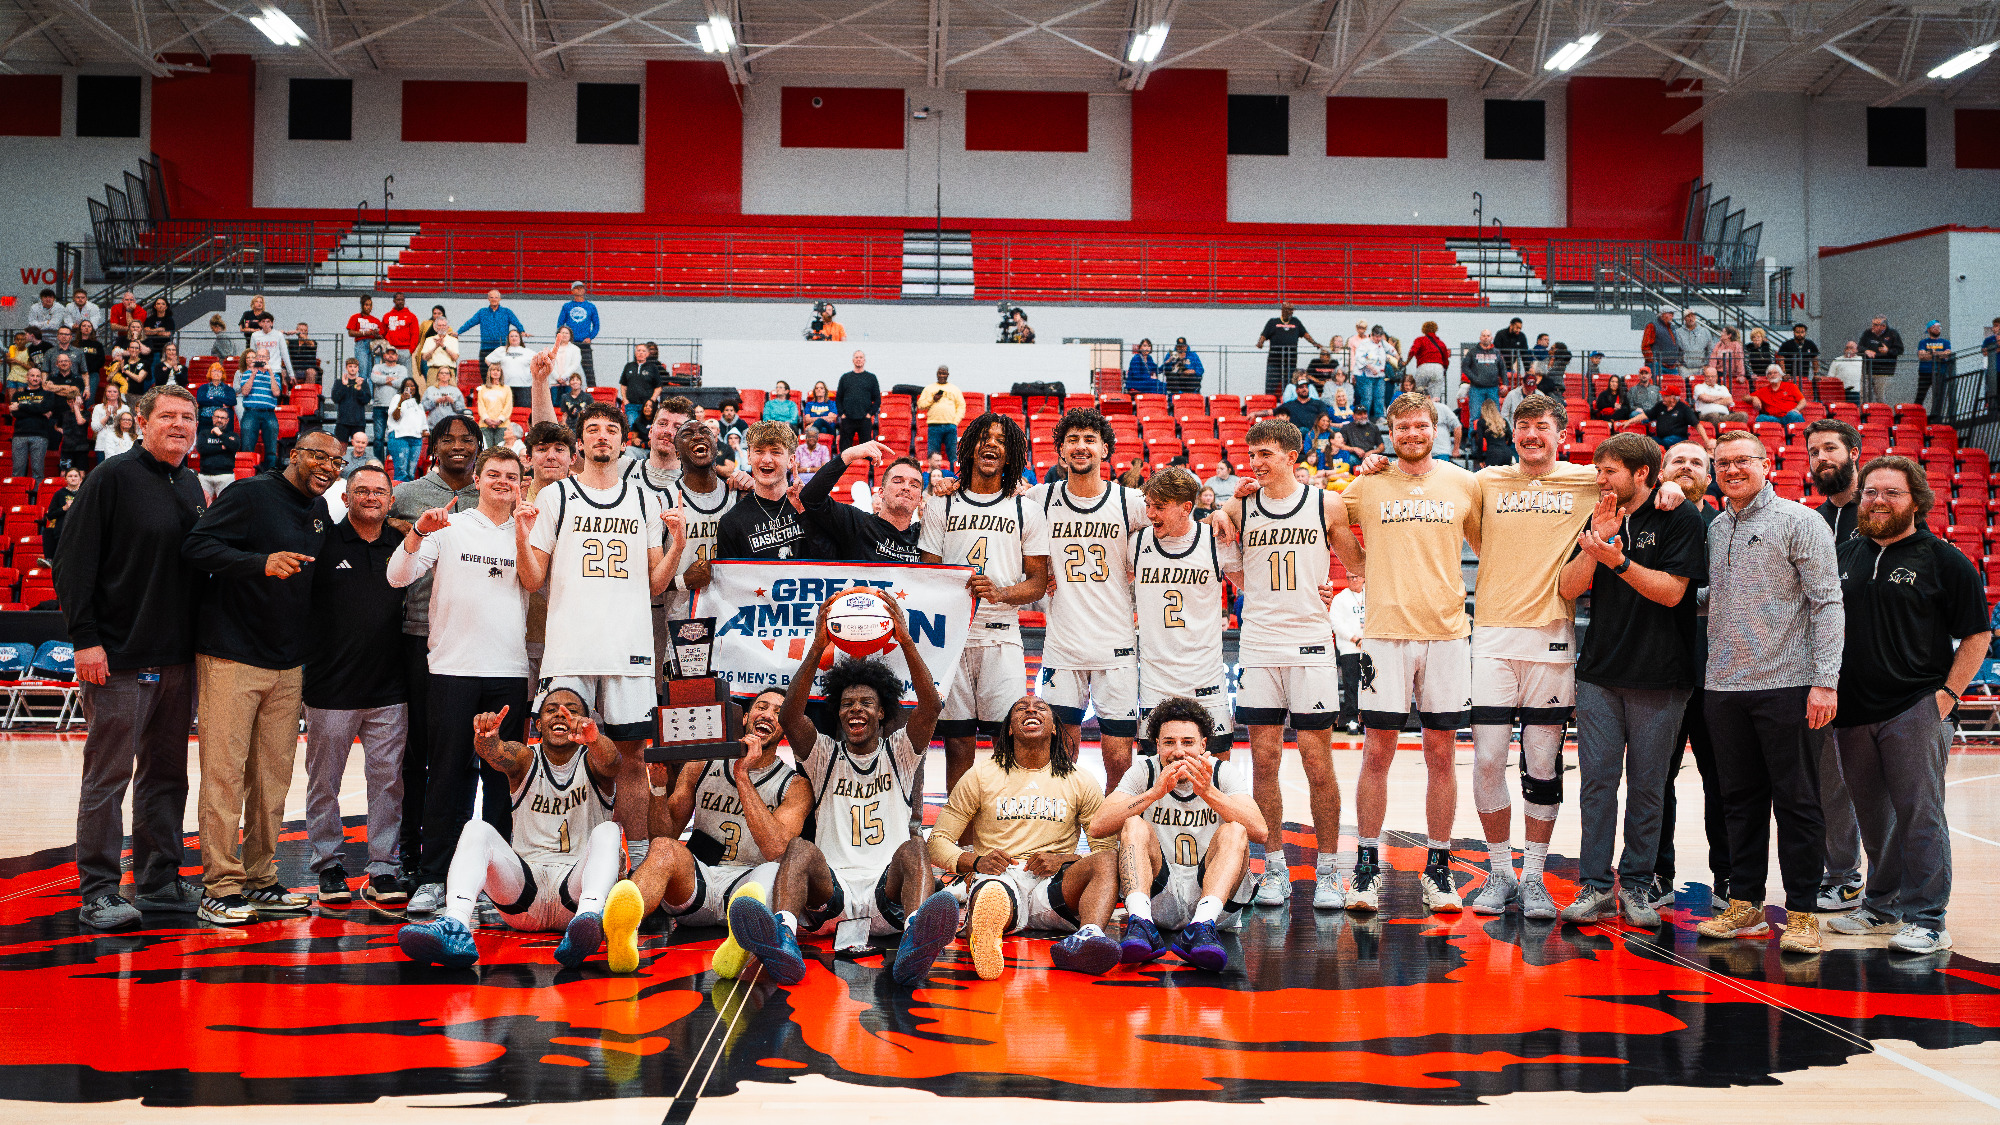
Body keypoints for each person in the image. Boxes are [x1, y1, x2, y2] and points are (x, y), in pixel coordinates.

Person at [724, 592, 959, 987]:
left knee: (916, 846)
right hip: (831, 893)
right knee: (799, 848)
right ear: (838, 712)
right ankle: (784, 939)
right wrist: (818, 645)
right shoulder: (823, 755)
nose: (856, 709)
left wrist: (905, 640)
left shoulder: (899, 752)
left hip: (889, 894)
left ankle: (915, 942)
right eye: (848, 702)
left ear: (883, 712)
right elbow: (790, 715)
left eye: (867, 702)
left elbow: (931, 707)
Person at [55, 386, 205, 930]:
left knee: (166, 776)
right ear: (141, 422)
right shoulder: (111, 477)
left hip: (177, 661)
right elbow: (72, 563)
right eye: (167, 415)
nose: (180, 424)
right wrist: (85, 639)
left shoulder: (189, 484)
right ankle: (97, 889)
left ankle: (159, 880)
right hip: (116, 658)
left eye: (188, 417)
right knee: (108, 777)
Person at [1826, 455, 1986, 955]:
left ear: (1915, 500)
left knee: (1921, 815)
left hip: (1915, 706)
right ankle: (1881, 905)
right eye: (1870, 492)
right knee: (1874, 819)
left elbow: (1977, 635)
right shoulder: (1844, 555)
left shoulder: (1944, 560)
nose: (1877, 501)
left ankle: (1929, 918)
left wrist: (1947, 696)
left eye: (1891, 493)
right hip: (1852, 712)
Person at [181, 429, 342, 925]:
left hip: (287, 664)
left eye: (336, 461)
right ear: (294, 455)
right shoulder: (250, 494)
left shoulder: (318, 512)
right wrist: (258, 563)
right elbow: (196, 547)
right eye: (317, 455)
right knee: (225, 776)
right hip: (231, 656)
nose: (327, 466)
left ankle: (260, 879)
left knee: (272, 780)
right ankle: (220, 886)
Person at [1694, 430, 1842, 956]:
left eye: (1742, 461)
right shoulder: (1715, 526)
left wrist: (1826, 680)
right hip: (1723, 686)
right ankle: (1746, 904)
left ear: (1767, 464)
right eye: (1723, 463)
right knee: (1739, 801)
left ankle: (1802, 912)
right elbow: (1721, 596)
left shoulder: (1801, 521)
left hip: (1789, 684)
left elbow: (1827, 603)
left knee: (1798, 803)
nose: (1732, 470)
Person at [1207, 418, 1363, 910]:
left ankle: (1330, 871)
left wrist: (1336, 589)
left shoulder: (1326, 504)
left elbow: (1359, 565)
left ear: (1292, 456)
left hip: (1312, 645)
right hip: (1258, 645)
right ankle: (1272, 867)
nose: (1256, 463)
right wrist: (1229, 503)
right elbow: (1235, 572)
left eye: (1266, 454)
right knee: (1265, 762)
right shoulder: (1243, 508)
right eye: (1252, 454)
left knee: (1318, 762)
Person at [516, 400, 686, 850]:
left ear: (623, 440)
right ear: (580, 441)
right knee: (565, 755)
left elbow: (655, 584)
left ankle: (637, 861)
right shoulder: (555, 496)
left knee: (632, 759)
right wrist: (520, 532)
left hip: (628, 647)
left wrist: (680, 543)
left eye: (611, 429)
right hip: (570, 648)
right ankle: (567, 852)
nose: (602, 436)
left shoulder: (644, 499)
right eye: (593, 429)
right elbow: (533, 579)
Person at [1337, 394, 1481, 915]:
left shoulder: (1464, 483)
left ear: (1436, 429)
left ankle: (1439, 867)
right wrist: (1357, 566)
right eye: (1404, 426)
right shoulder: (1369, 482)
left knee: (1442, 755)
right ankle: (1367, 864)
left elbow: (1492, 545)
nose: (1413, 433)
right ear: (1390, 431)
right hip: (1385, 633)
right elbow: (1329, 517)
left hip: (1446, 634)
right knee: (1377, 753)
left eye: (1422, 425)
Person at [1556, 434, 1706, 927]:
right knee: (1597, 785)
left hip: (1661, 676)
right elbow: (1568, 588)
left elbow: (1671, 594)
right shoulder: (1603, 515)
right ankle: (1595, 885)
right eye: (1599, 471)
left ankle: (1638, 887)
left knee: (1648, 787)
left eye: (1610, 472)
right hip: (1600, 673)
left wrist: (1616, 559)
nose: (1601, 480)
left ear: (1643, 474)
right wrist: (1596, 546)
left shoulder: (1680, 518)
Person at [387, 446, 532, 914]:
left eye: (511, 475)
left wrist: (529, 533)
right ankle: (433, 878)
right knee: (446, 776)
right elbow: (397, 576)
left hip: (509, 670)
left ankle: (496, 885)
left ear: (520, 482)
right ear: (477, 477)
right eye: (494, 474)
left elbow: (540, 585)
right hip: (452, 669)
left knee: (501, 780)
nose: (502, 482)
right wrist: (415, 533)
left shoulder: (528, 533)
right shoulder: (450, 525)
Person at [393, 688, 630, 969]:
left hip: (575, 893)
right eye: (551, 708)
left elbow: (612, 761)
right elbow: (495, 754)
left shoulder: (594, 760)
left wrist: (595, 739)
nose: (561, 713)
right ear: (538, 724)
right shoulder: (525, 759)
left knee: (609, 831)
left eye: (571, 709)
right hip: (523, 893)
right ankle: (455, 924)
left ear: (587, 721)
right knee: (476, 829)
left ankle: (589, 920)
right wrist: (487, 738)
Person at [934, 694, 1120, 977]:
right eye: (1021, 708)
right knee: (993, 892)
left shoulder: (1080, 779)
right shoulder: (981, 775)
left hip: (1055, 884)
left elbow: (1105, 848)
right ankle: (986, 931)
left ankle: (1087, 939)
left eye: (1040, 708)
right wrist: (975, 861)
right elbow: (936, 842)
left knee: (1107, 861)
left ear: (1055, 727)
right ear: (1009, 728)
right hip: (1001, 874)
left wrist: (1066, 860)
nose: (1031, 710)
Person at [919, 413, 1051, 794]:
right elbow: (929, 574)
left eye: (1000, 440)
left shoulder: (1026, 508)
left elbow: (1038, 584)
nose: (991, 444)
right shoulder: (940, 505)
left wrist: (1001, 592)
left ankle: (1001, 832)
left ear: (1011, 455)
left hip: (1002, 636)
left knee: (1006, 744)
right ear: (968, 447)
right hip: (953, 640)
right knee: (957, 743)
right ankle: (960, 839)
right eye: (983, 437)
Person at [1090, 697, 1263, 971]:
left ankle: (1202, 925)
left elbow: (1259, 831)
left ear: (1203, 745)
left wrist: (1209, 792)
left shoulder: (1221, 773)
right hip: (1160, 896)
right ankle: (1140, 921)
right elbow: (1098, 825)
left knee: (1235, 830)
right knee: (1133, 824)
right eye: (1169, 742)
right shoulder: (1144, 772)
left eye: (1188, 742)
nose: (1178, 751)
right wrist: (1153, 794)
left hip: (1214, 900)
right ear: (1157, 746)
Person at [300, 465, 407, 907]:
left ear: (390, 499)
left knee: (388, 784)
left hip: (389, 689)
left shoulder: (402, 544)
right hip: (330, 688)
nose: (370, 497)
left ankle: (383, 866)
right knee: (323, 783)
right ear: (344, 499)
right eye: (360, 490)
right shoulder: (322, 542)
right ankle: (328, 865)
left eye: (379, 491)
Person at [387, 415, 484, 893]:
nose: (459, 447)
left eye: (468, 440)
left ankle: (460, 849)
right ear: (433, 447)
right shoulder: (406, 494)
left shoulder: (487, 494)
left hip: (470, 640)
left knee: (462, 754)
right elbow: (376, 528)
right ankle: (410, 849)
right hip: (415, 633)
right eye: (449, 439)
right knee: (417, 751)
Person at [647, 690, 808, 973]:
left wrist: (743, 774)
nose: (768, 715)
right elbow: (663, 835)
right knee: (663, 849)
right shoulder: (702, 763)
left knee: (775, 868)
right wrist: (658, 790)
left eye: (779, 713)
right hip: (698, 883)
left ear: (785, 729)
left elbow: (776, 849)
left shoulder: (794, 785)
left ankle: (738, 943)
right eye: (762, 707)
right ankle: (620, 925)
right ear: (746, 717)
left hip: (749, 885)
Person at [1030, 409, 1148, 790]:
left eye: (1090, 440)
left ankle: (1114, 837)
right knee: (1061, 750)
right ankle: (1061, 837)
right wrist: (1038, 569)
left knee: (1118, 756)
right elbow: (1003, 536)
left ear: (1105, 450)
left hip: (1115, 645)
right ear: (1061, 451)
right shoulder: (1039, 498)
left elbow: (1181, 527)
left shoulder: (1130, 501)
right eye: (1073, 440)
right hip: (1063, 646)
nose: (1081, 447)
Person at [1653, 441, 1728, 904]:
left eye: (1697, 462)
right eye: (1677, 460)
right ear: (1661, 470)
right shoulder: (1647, 520)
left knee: (1724, 781)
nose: (1687, 467)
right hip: (1662, 670)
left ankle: (1729, 878)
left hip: (1720, 675)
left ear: (1710, 475)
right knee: (1655, 781)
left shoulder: (1727, 527)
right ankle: (1656, 875)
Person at [1130, 467, 1241, 754]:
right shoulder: (1137, 544)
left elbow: (1256, 589)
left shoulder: (1215, 542)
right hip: (1156, 680)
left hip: (1206, 679)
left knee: (1216, 768)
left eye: (1160, 507)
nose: (1151, 514)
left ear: (1186, 508)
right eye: (1149, 506)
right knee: (1153, 772)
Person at [1802, 418, 1866, 908]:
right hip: (1825, 670)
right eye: (1813, 452)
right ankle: (1842, 872)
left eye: (1830, 449)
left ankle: (1899, 886)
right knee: (1829, 780)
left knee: (1885, 789)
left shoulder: (1886, 512)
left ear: (1855, 453)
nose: (1821, 459)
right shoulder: (1811, 521)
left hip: (1880, 671)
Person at [714, 421, 824, 561]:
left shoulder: (813, 508)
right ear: (748, 457)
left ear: (791, 460)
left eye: (775, 452)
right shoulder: (731, 522)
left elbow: (831, 563)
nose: (766, 459)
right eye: (759, 451)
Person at [801, 439, 923, 562]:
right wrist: (848, 455)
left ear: (920, 500)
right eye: (897, 481)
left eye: (914, 485)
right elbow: (810, 497)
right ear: (881, 492)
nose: (906, 487)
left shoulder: (924, 535)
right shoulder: (857, 523)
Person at [235, 348, 285, 471]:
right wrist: (253, 373)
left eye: (264, 357)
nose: (261, 359)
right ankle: (247, 474)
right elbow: (245, 392)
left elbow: (276, 392)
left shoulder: (275, 376)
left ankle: (270, 476)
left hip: (269, 413)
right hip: (251, 412)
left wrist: (271, 373)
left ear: (268, 358)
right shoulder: (247, 373)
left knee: (272, 449)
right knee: (247, 445)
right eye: (259, 356)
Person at [1256, 303, 1317, 395]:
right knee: (1271, 386)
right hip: (1274, 361)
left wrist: (1314, 343)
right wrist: (1260, 343)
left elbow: (1305, 334)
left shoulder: (1296, 322)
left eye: (1292, 309)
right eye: (1289, 309)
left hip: (1290, 361)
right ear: (1283, 310)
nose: (1291, 312)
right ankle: (1270, 404)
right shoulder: (1273, 322)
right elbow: (1264, 335)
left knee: (1290, 386)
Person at [10, 368, 60, 477]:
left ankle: (36, 494)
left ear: (41, 379)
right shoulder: (17, 395)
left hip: (40, 435)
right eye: (32, 376)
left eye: (38, 376)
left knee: (38, 470)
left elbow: (45, 407)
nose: (35, 378)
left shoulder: (48, 395)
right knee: (17, 470)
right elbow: (16, 414)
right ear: (27, 377)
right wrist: (39, 411)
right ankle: (19, 493)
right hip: (19, 435)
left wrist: (20, 406)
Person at [458, 290, 526, 364]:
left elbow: (517, 323)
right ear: (488, 299)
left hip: (501, 348)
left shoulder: (507, 312)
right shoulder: (482, 312)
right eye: (491, 297)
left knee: (502, 373)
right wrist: (458, 332)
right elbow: (470, 323)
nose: (494, 299)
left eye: (496, 297)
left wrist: (522, 331)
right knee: (484, 374)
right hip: (485, 348)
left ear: (500, 299)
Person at [916, 366, 965, 462]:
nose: (941, 376)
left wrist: (955, 421)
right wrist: (933, 399)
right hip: (934, 426)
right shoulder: (929, 388)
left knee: (952, 455)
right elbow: (920, 405)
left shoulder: (955, 389)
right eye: (940, 373)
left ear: (948, 375)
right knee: (933, 455)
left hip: (950, 426)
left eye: (944, 373)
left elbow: (961, 406)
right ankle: (933, 476)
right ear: (936, 374)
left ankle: (954, 475)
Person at [556, 281, 600, 384]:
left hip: (584, 343)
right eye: (576, 288)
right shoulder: (567, 306)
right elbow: (560, 324)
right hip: (570, 344)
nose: (579, 290)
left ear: (584, 290)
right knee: (565, 369)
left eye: (581, 288)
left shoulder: (591, 306)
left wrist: (590, 337)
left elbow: (596, 325)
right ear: (572, 291)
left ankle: (592, 392)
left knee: (589, 371)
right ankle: (564, 392)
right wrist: (564, 337)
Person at [835, 350, 880, 449]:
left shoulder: (871, 378)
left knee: (866, 449)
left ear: (864, 360)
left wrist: (870, 414)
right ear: (853, 360)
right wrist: (842, 414)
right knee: (844, 450)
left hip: (865, 419)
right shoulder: (845, 378)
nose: (858, 359)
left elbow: (877, 399)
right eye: (856, 357)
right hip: (847, 419)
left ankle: (867, 465)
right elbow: (838, 398)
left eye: (861, 357)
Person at [371, 347, 409, 459]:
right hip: (378, 406)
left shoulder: (402, 368)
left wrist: (383, 378)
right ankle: (378, 463)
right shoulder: (377, 366)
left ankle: (389, 463)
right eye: (388, 354)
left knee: (392, 437)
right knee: (378, 438)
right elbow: (374, 378)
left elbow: (402, 383)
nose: (391, 356)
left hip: (394, 407)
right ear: (384, 356)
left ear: (397, 357)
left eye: (393, 354)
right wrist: (392, 379)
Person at [386, 377, 426, 482]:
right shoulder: (397, 398)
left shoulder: (418, 403)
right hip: (399, 437)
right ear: (403, 388)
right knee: (401, 471)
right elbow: (395, 417)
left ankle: (408, 496)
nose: (410, 388)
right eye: (407, 386)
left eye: (412, 385)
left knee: (411, 473)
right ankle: (399, 496)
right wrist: (401, 402)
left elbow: (423, 423)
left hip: (416, 438)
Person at [41, 465, 83, 564]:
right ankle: (50, 561)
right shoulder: (59, 494)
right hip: (62, 528)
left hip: (80, 527)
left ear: (80, 479)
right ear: (65, 479)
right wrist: (64, 508)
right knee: (48, 532)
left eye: (76, 476)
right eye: (70, 476)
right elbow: (50, 515)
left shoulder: (84, 493)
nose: (73, 478)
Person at [486, 327, 535, 410]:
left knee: (523, 412)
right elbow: (488, 360)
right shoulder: (501, 350)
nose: (514, 338)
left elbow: (539, 362)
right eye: (511, 336)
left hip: (524, 386)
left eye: (516, 336)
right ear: (508, 339)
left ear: (520, 338)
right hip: (505, 386)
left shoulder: (528, 352)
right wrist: (496, 372)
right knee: (505, 410)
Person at [195, 408, 238, 500]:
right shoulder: (204, 434)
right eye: (217, 417)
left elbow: (234, 446)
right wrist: (222, 447)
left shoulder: (233, 435)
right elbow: (201, 449)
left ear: (227, 420)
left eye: (222, 418)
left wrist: (220, 434)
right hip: (205, 476)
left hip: (225, 476)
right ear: (212, 418)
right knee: (202, 506)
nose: (219, 420)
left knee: (227, 507)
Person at [617, 344, 663, 431]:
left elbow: (658, 387)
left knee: (647, 430)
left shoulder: (653, 367)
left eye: (643, 351)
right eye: (638, 350)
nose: (641, 353)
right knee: (632, 428)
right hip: (631, 406)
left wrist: (652, 400)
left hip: (647, 407)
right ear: (635, 353)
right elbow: (623, 385)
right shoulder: (628, 366)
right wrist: (625, 400)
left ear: (647, 354)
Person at [1859, 315, 1904, 402]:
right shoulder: (1867, 333)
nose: (1873, 326)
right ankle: (1865, 413)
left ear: (1883, 326)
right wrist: (1866, 351)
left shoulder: (1893, 334)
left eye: (1876, 324)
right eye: (1873, 324)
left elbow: (1900, 350)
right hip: (1867, 369)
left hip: (1883, 370)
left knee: (1879, 395)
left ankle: (1882, 414)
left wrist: (1888, 351)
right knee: (1863, 394)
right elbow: (1859, 347)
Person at [346, 295, 383, 395]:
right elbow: (351, 332)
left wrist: (376, 335)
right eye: (366, 305)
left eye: (370, 305)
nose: (368, 307)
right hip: (361, 344)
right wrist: (365, 333)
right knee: (363, 372)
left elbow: (382, 335)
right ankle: (361, 395)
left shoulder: (376, 320)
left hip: (373, 345)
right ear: (362, 305)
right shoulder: (355, 317)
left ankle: (370, 396)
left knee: (373, 373)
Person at [1407, 321, 1451, 402]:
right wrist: (1443, 372)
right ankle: (1435, 409)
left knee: (1417, 392)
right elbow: (1446, 361)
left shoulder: (1420, 340)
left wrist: (1406, 362)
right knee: (1435, 397)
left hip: (1424, 367)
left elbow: (1412, 351)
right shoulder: (1441, 343)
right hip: (1438, 368)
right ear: (1435, 329)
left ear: (1423, 330)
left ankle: (1418, 408)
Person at [331, 357, 371, 444]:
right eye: (350, 366)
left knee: (359, 448)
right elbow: (336, 399)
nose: (352, 369)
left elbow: (366, 400)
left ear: (358, 368)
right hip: (343, 421)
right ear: (346, 368)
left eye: (355, 367)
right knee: (340, 449)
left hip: (358, 422)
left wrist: (359, 388)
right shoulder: (339, 382)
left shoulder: (363, 382)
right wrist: (344, 385)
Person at [381, 294, 422, 374]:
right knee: (390, 376)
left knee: (407, 377)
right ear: (394, 301)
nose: (400, 302)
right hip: (390, 350)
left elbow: (415, 334)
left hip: (405, 351)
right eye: (398, 300)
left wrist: (410, 350)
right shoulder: (387, 316)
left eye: (402, 300)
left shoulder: (411, 316)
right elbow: (382, 333)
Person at [1915, 320, 1952, 408]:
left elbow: (1947, 354)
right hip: (1925, 371)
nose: (1937, 329)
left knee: (1939, 397)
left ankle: (1935, 417)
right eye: (1934, 327)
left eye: (1939, 327)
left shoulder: (1946, 342)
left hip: (1940, 372)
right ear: (1928, 330)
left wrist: (1931, 353)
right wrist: (1939, 354)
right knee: (1920, 395)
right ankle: (1915, 413)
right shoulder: (1923, 342)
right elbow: (1921, 355)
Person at [475, 363, 512, 448]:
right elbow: (481, 406)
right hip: (485, 425)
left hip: (502, 425)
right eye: (493, 370)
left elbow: (508, 406)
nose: (495, 372)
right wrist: (487, 420)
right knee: (487, 450)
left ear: (501, 373)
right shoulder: (483, 389)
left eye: (498, 370)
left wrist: (499, 420)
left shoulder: (506, 389)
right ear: (489, 372)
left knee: (500, 451)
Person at [418, 311, 459, 386]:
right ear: (435, 327)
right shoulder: (429, 340)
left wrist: (443, 346)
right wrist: (436, 346)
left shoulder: (453, 340)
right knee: (432, 395)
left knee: (450, 395)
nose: (441, 328)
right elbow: (424, 357)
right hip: (433, 370)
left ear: (447, 327)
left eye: (444, 325)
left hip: (449, 370)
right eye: (439, 326)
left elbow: (455, 357)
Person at [1641, 307, 1683, 377]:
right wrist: (1653, 360)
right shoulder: (1652, 326)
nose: (1672, 316)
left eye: (1672, 314)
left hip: (1672, 366)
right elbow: (1645, 346)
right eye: (1669, 314)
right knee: (1657, 386)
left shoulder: (1672, 328)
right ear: (1662, 315)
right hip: (1657, 366)